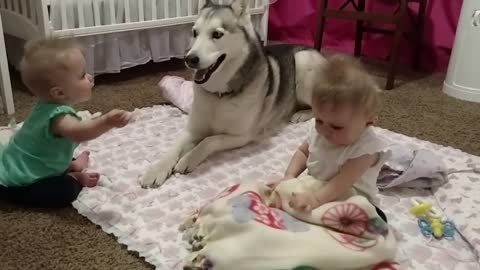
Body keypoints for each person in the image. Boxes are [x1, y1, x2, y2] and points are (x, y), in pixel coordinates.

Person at [0, 38, 131, 208]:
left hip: (24, 161)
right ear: (59, 92)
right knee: (64, 190)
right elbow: (81, 132)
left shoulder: (45, 104)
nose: (90, 77)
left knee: (55, 154)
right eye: (83, 75)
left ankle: (71, 165)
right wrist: (106, 121)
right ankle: (74, 176)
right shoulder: (59, 118)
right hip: (19, 182)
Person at [272, 55, 389, 221]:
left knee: (371, 220)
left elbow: (342, 182)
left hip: (351, 198)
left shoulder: (365, 149)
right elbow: (303, 153)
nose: (325, 131)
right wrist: (289, 178)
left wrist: (316, 200)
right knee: (283, 202)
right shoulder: (321, 131)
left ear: (368, 122)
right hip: (316, 187)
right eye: (319, 120)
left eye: (337, 127)